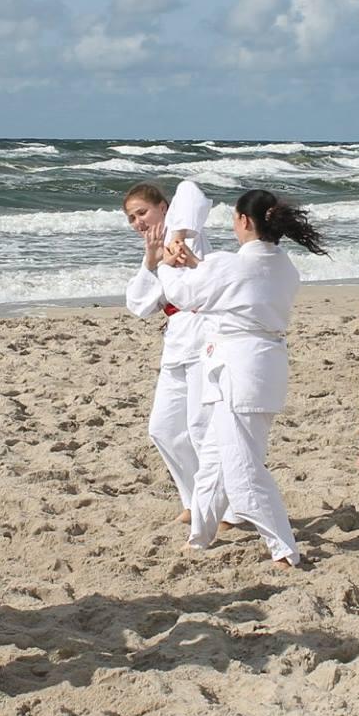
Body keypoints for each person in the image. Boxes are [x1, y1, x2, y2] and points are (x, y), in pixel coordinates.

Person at [155, 190, 325, 568]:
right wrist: (195, 262)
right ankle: (200, 537)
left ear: (245, 221)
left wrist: (166, 264)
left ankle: (284, 550)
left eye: (234, 218)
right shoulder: (283, 265)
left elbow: (184, 294)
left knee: (242, 473)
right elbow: (232, 284)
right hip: (264, 365)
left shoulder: (231, 265)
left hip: (239, 371)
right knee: (214, 459)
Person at [122, 179, 213, 518]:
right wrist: (151, 260)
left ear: (163, 207)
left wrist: (177, 236)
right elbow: (139, 305)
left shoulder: (188, 233)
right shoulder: (154, 253)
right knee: (163, 428)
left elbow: (190, 189)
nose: (138, 222)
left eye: (142, 212)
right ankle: (194, 498)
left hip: (204, 336)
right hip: (176, 344)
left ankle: (219, 507)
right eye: (131, 218)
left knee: (200, 427)